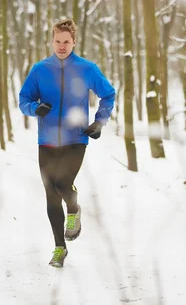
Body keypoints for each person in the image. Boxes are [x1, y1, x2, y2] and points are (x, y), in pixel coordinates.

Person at [19, 19, 116, 268]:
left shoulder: (87, 69)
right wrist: (34, 108)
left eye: (66, 41)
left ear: (74, 42)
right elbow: (24, 100)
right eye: (58, 41)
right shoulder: (40, 70)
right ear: (52, 41)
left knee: (62, 183)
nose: (62, 46)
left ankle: (74, 209)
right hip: (47, 141)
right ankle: (59, 248)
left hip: (75, 139)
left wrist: (99, 121)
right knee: (51, 194)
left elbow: (108, 94)